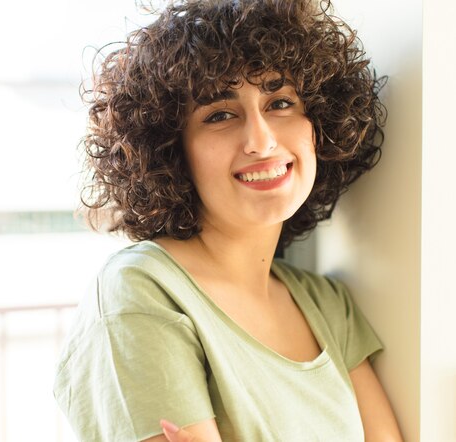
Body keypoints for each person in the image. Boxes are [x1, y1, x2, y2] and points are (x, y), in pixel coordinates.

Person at [53, 0, 402, 440]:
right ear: (172, 152)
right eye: (220, 115)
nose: (261, 139)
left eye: (280, 102)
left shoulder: (328, 305)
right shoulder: (142, 291)